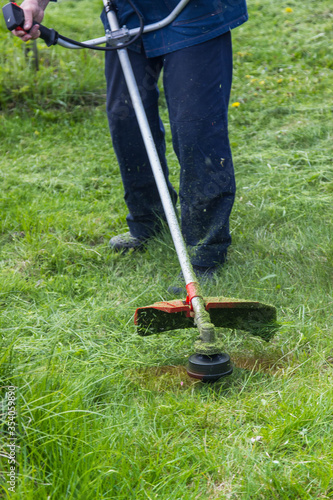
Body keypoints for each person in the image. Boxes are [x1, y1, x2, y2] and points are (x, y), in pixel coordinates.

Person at [13, 0, 248, 280]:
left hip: (195, 13)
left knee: (196, 125)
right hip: (125, 17)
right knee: (126, 118)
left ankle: (206, 249)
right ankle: (149, 221)